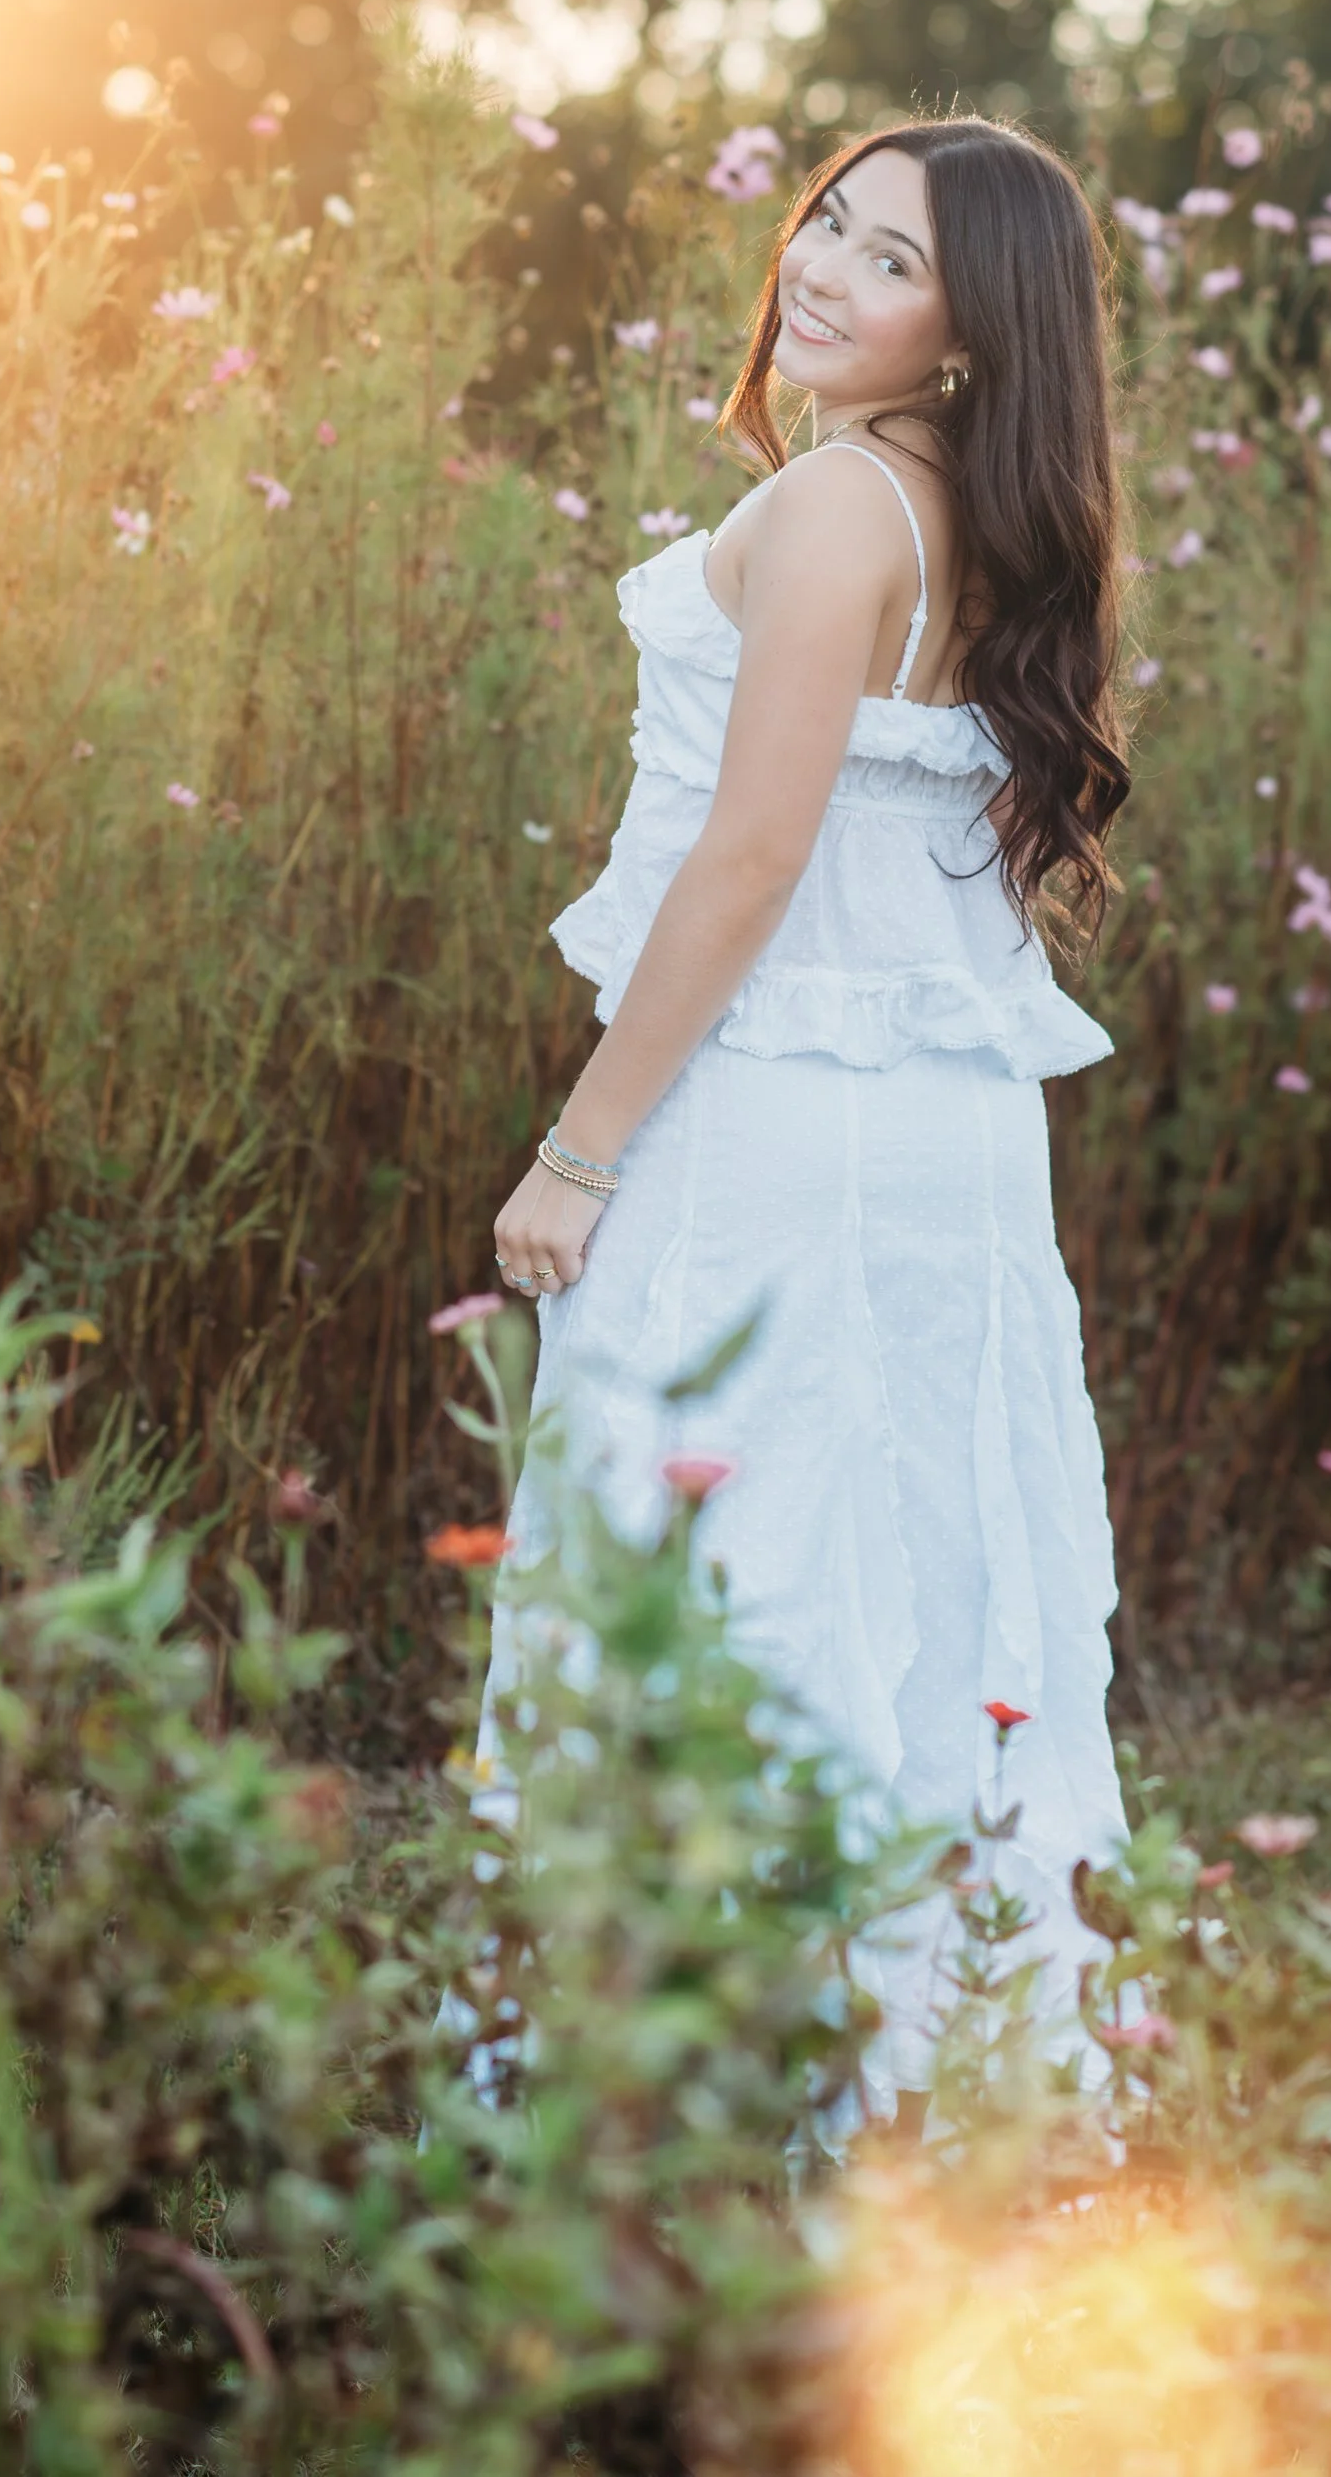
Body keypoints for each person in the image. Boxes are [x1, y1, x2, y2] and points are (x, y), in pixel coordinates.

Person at [480, 114, 1134, 2130]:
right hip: (937, 1132)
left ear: (969, 333)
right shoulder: (998, 527)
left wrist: (579, 1147)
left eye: (890, 260)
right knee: (916, 1575)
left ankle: (658, 2114)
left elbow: (751, 854)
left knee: (702, 1562)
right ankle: (923, 2095)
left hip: (767, 1115)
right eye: (826, 226)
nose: (825, 273)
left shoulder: (844, 506)